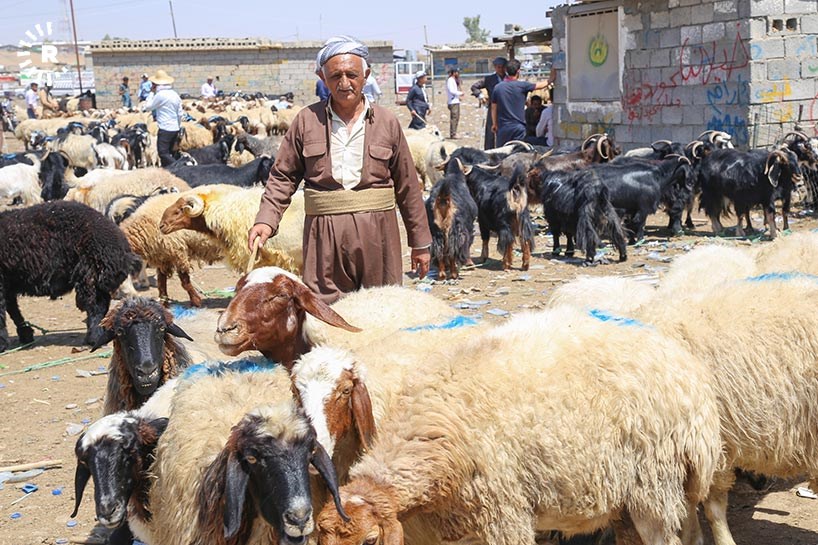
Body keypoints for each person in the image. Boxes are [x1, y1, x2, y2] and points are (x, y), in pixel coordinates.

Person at [247, 35, 431, 303]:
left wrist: (420, 242)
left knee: (381, 307)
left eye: (351, 74)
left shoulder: (387, 122)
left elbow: (408, 186)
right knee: (325, 310)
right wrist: (266, 220)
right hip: (323, 235)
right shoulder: (306, 121)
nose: (344, 83)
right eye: (336, 76)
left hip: (377, 233)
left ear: (366, 75)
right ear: (323, 78)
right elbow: (282, 177)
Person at [491, 59, 551, 148]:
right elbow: (541, 85)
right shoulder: (522, 86)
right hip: (518, 127)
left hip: (503, 128)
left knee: (501, 154)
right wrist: (552, 76)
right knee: (517, 153)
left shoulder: (498, 87)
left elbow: (493, 107)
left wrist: (494, 124)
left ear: (506, 71)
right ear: (518, 71)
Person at [141, 70, 183, 166]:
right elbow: (180, 113)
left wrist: (151, 93)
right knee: (170, 152)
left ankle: (180, 166)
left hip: (165, 128)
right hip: (175, 128)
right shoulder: (175, 94)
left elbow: (147, 107)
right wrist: (179, 125)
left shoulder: (160, 95)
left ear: (156, 84)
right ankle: (169, 172)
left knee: (163, 153)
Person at [471, 56, 507, 149]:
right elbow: (474, 87)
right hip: (493, 108)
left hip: (507, 108)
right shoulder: (489, 79)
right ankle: (488, 152)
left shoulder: (509, 79)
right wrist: (480, 95)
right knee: (490, 132)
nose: (500, 69)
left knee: (505, 131)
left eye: (502, 67)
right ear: (495, 67)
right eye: (498, 67)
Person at [445, 67, 464, 139]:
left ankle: (454, 132)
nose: (458, 74)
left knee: (456, 118)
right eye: (457, 72)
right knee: (454, 118)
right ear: (453, 73)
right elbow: (452, 91)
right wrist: (460, 93)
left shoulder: (453, 80)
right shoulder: (450, 80)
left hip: (455, 101)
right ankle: (453, 134)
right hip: (453, 102)